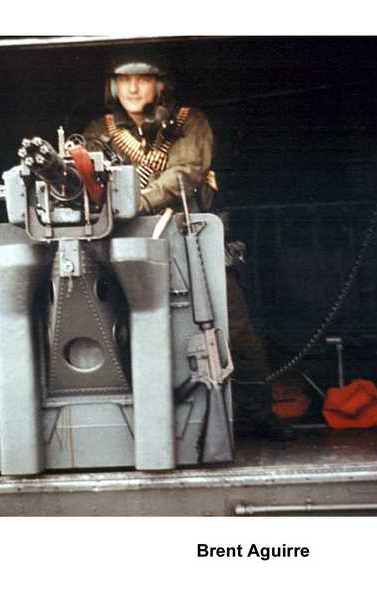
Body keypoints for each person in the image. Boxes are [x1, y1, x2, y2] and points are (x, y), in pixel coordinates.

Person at [83, 57, 295, 441]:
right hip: (128, 247)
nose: (133, 88)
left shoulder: (189, 121)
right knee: (124, 331)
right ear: (113, 86)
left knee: (235, 331)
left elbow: (184, 173)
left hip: (192, 239)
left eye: (143, 80)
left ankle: (258, 415)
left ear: (160, 85)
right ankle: (137, 425)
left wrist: (139, 200)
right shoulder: (101, 130)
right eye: (124, 80)